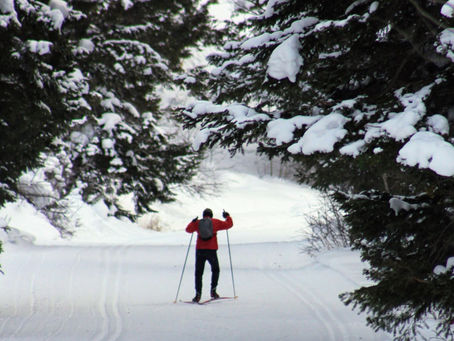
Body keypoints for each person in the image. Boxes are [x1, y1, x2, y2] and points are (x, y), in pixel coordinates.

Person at [186, 208, 233, 303]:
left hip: (200, 250)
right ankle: (213, 291)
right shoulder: (215, 222)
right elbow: (229, 225)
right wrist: (227, 216)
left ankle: (198, 295)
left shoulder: (198, 223)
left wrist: (192, 222)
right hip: (211, 250)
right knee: (215, 270)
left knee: (199, 273)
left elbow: (188, 230)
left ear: (203, 215)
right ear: (211, 215)